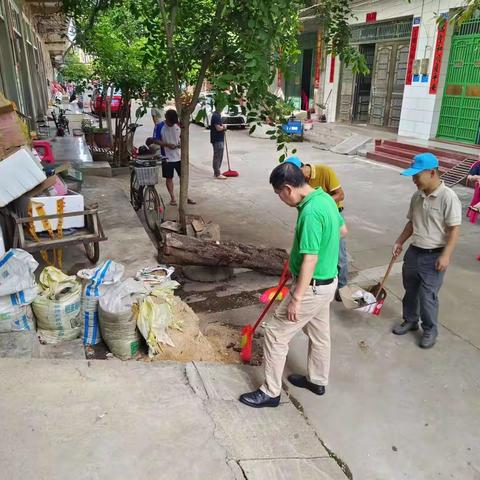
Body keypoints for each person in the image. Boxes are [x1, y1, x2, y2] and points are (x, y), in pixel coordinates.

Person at [239, 162, 344, 408]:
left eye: (278, 194)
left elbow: (311, 257)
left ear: (287, 188)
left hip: (312, 287)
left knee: (275, 333)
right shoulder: (325, 199)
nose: (280, 199)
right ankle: (317, 380)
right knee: (319, 334)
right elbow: (343, 230)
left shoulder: (309, 212)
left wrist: (296, 297)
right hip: (328, 283)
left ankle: (271, 392)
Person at [392, 153, 461, 349]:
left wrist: (446, 255)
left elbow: (455, 229)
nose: (413, 179)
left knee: (428, 296)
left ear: (432, 172)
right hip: (414, 252)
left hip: (435, 255)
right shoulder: (417, 195)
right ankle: (411, 320)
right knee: (410, 290)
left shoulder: (448, 197)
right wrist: (399, 241)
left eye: (417, 175)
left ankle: (430, 329)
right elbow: (411, 223)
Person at [285, 156, 348, 300]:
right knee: (315, 254)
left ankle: (342, 287)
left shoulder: (324, 171)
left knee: (339, 256)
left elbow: (341, 194)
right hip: (316, 216)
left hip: (332, 214)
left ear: (301, 169)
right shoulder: (302, 185)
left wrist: (322, 205)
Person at [148, 109, 195, 206]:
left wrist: (181, 143)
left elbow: (183, 136)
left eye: (172, 123)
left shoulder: (178, 124)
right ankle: (173, 197)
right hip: (166, 157)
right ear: (165, 118)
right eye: (169, 123)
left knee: (183, 177)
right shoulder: (159, 126)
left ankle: (185, 196)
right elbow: (155, 140)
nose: (171, 125)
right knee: (169, 178)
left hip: (179, 156)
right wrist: (167, 145)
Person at [210, 103, 227, 180]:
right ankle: (217, 173)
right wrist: (224, 127)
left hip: (219, 139)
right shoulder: (216, 116)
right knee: (217, 156)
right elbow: (218, 128)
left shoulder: (217, 115)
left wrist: (222, 126)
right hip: (217, 139)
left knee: (219, 156)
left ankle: (217, 172)